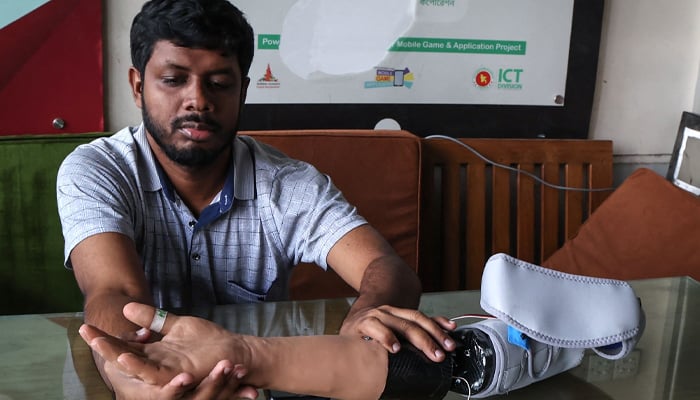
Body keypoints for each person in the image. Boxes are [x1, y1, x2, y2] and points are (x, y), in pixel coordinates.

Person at [56, 0, 455, 398]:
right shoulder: (97, 170)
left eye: (219, 82)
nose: (198, 100)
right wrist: (134, 377)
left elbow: (385, 267)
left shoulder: (287, 184)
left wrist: (368, 318)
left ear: (243, 90)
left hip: (259, 379)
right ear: (139, 86)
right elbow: (114, 292)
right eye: (174, 80)